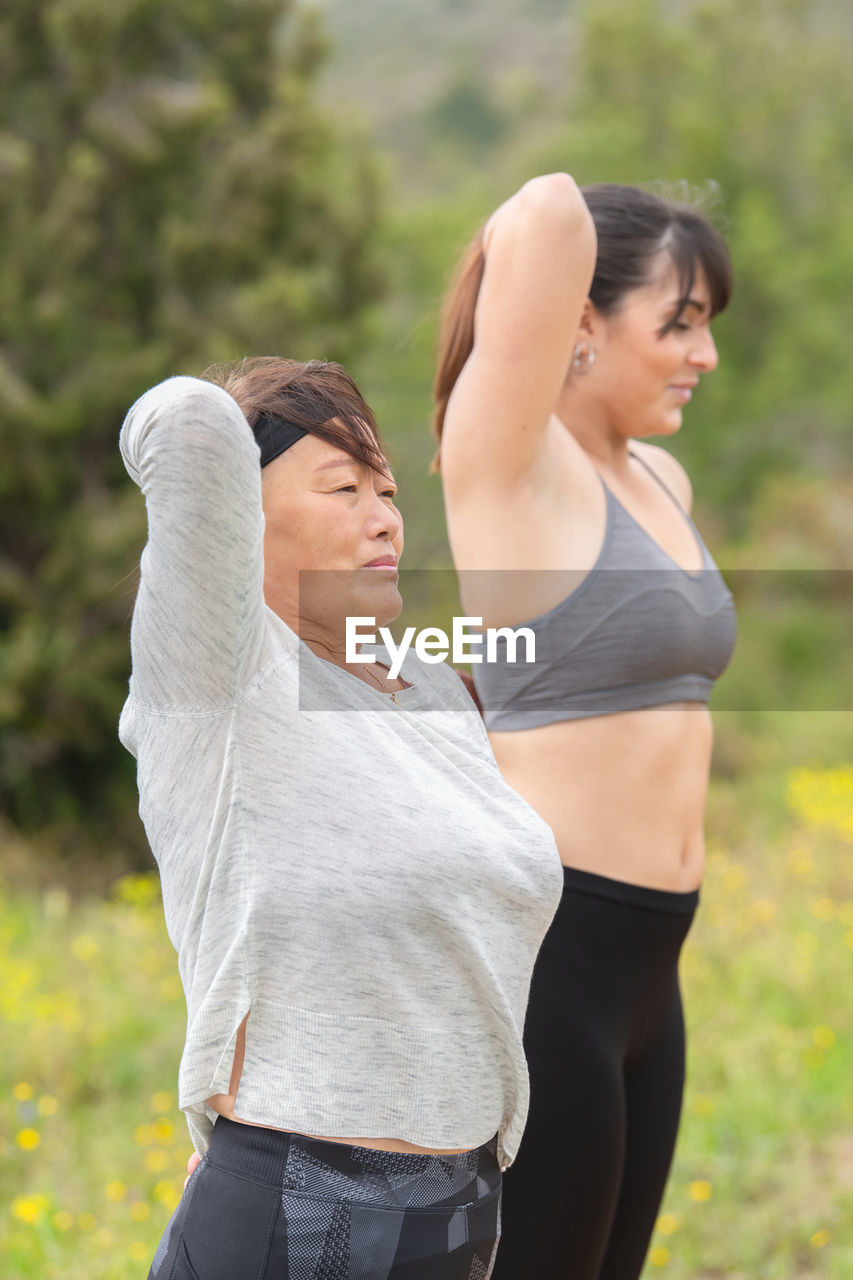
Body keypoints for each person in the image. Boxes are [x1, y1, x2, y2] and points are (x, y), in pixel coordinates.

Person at [118, 357, 564, 1280]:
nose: (384, 515)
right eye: (342, 486)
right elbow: (191, 427)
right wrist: (248, 420)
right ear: (243, 514)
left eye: (388, 488)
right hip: (294, 1213)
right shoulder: (219, 679)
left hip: (458, 1211)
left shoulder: (431, 693)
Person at [433, 174, 737, 1279]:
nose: (702, 355)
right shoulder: (512, 468)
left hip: (652, 966)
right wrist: (568, 274)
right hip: (549, 959)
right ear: (579, 323)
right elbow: (549, 212)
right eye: (678, 322)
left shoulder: (660, 477)